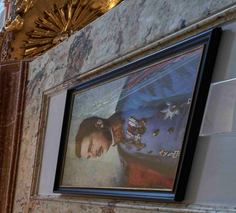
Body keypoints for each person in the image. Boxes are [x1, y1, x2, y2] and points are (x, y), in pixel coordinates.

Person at [73, 49, 203, 189]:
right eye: (90, 156)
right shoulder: (125, 153)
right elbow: (166, 164)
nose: (94, 154)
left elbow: (182, 79)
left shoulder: (134, 102)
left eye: (91, 145)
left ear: (99, 124)